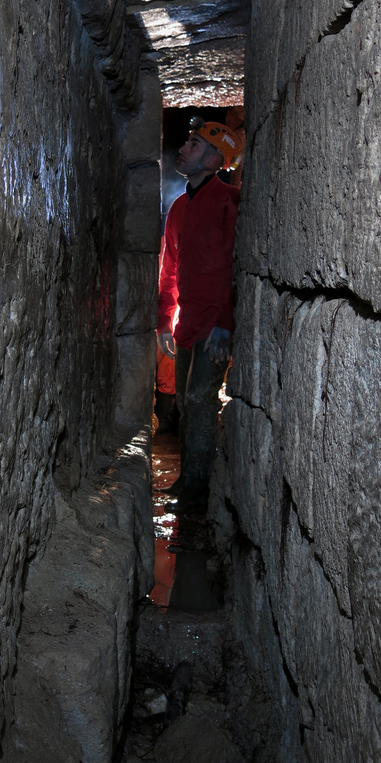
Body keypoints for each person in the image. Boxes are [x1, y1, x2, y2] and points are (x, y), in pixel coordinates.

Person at [157, 118, 242, 511]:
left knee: (201, 399)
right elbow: (169, 268)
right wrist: (165, 319)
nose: (183, 148)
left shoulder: (229, 201)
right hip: (188, 322)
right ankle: (187, 480)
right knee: (186, 403)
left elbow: (234, 265)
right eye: (188, 141)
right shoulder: (177, 208)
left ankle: (198, 487)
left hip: (214, 324)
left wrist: (225, 322)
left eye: (192, 144)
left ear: (212, 159)